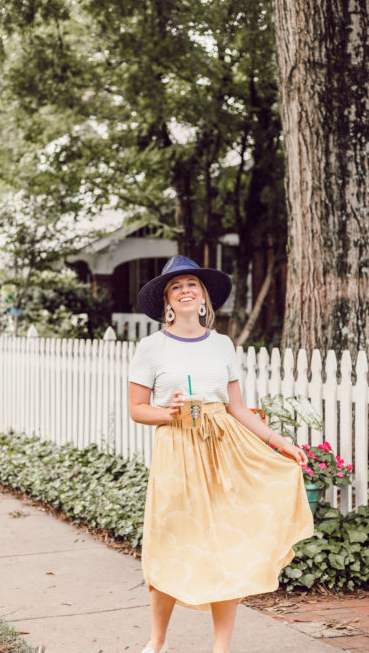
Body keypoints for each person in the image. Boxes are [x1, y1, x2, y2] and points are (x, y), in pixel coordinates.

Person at [128, 255, 314, 653]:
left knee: (225, 546)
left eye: (191, 283)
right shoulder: (151, 347)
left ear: (204, 295)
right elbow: (137, 409)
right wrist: (168, 412)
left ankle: (221, 647)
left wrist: (279, 442)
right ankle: (156, 641)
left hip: (224, 449)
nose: (184, 290)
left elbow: (238, 408)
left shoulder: (222, 344)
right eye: (175, 286)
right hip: (177, 449)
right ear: (166, 300)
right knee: (169, 544)